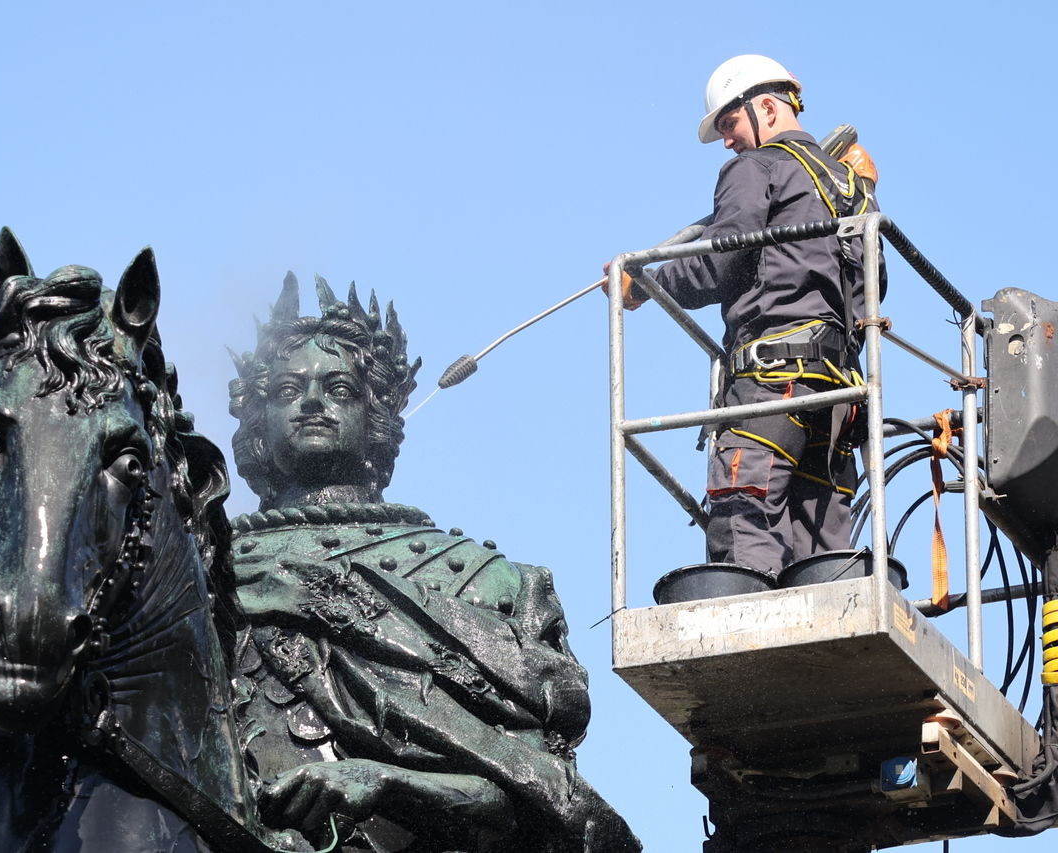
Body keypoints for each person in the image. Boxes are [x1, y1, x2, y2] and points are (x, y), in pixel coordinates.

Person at [228, 273, 640, 852]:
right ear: (257, 420)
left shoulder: (484, 578)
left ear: (376, 417)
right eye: (288, 389)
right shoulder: (200, 569)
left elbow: (543, 798)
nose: (313, 402)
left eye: (340, 388)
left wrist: (387, 783)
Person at [609, 54, 883, 578]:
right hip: (836, 393)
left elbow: (719, 265)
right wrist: (865, 196)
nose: (729, 140)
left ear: (766, 106)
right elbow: (874, 287)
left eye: (730, 123)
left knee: (744, 517)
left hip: (770, 385)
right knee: (821, 548)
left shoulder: (756, 168)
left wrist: (642, 282)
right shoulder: (850, 188)